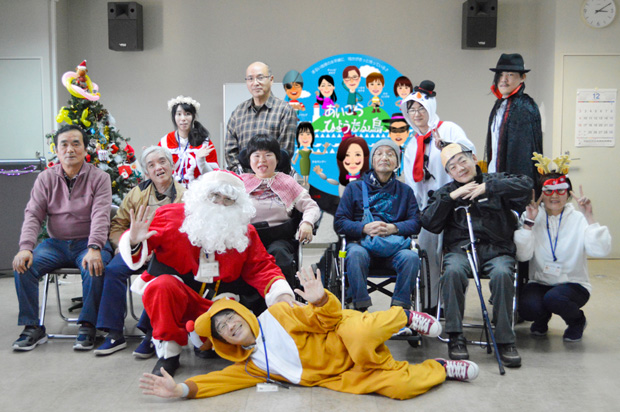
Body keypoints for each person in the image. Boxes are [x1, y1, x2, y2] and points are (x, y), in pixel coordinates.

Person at [139, 267, 479, 401]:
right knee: (401, 388)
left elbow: (324, 319)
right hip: (344, 373)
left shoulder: (277, 314)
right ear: (225, 343)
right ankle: (441, 368)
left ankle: (405, 316)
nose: (230, 325)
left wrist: (319, 300)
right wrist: (181, 390)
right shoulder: (253, 367)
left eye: (229, 317)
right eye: (223, 330)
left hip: (340, 333)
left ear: (241, 313)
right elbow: (218, 381)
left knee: (361, 333)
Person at [119, 170, 297, 376]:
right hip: (177, 294)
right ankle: (169, 354)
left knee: (216, 349)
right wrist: (134, 242)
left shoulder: (244, 232)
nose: (220, 203)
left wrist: (281, 294)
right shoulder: (170, 216)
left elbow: (262, 267)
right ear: (201, 195)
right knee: (161, 286)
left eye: (228, 199)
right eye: (215, 196)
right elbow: (141, 248)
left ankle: (203, 339)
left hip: (216, 302)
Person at [421, 143, 532, 367]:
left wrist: (488, 188)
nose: (460, 168)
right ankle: (455, 336)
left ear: (473, 158)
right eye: (452, 167)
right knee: (452, 272)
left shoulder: (496, 180)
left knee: (502, 274)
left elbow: (527, 184)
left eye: (462, 161)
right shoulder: (446, 192)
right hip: (461, 251)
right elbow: (429, 222)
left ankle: (505, 340)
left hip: (497, 250)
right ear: (449, 173)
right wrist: (451, 197)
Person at [12, 124, 113, 351]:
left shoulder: (100, 178)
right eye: (64, 144)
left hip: (88, 243)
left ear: (85, 149)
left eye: (76, 143)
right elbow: (33, 214)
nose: (70, 149)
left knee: (94, 266)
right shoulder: (45, 178)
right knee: (23, 266)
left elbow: (101, 215)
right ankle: (32, 327)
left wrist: (95, 247)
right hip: (55, 245)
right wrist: (25, 247)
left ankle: (88, 326)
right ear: (56, 150)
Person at [93, 146, 186, 357]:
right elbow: (118, 224)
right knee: (113, 270)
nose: (158, 168)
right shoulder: (137, 194)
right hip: (137, 248)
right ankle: (114, 333)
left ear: (171, 165)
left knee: (160, 277)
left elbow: (186, 234)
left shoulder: (184, 195)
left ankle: (152, 334)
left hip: (167, 253)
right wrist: (123, 245)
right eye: (151, 165)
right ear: (146, 172)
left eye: (162, 162)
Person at [400, 80, 475, 311]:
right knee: (428, 257)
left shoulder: (449, 129)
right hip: (430, 209)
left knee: (453, 258)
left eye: (421, 108)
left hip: (455, 205)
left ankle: (451, 305)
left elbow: (468, 154)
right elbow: (411, 182)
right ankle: (431, 304)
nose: (417, 114)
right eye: (412, 110)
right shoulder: (412, 144)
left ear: (430, 108)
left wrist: (447, 146)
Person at [514, 165, 611, 342]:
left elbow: (600, 251)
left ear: (568, 193)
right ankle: (542, 318)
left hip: (573, 283)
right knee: (527, 308)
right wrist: (529, 223)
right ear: (541, 194)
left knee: (555, 298)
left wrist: (589, 217)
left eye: (560, 190)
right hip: (540, 281)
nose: (555, 195)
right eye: (549, 191)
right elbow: (523, 256)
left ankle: (577, 321)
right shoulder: (532, 216)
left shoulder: (579, 218)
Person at [334, 139, 421, 313]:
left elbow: (416, 223)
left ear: (397, 162)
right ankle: (360, 308)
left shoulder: (405, 191)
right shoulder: (354, 188)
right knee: (355, 254)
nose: (384, 158)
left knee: (411, 257)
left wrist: (393, 228)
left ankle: (399, 311)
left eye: (390, 154)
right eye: (379, 153)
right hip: (362, 246)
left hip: (395, 248)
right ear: (372, 161)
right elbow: (340, 222)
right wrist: (363, 228)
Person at [240, 134, 321, 288]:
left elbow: (311, 206)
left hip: (279, 238)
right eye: (256, 155)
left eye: (268, 155)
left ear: (277, 159)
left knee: (279, 254)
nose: (262, 160)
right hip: (246, 239)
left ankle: (284, 297)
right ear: (249, 160)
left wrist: (307, 223)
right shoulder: (239, 182)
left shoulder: (287, 182)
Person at [225, 62, 298, 172]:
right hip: (243, 180)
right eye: (250, 79)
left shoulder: (285, 110)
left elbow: (284, 153)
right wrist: (243, 177)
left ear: (271, 80)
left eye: (260, 78)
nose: (255, 83)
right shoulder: (238, 113)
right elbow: (230, 152)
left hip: (275, 180)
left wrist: (265, 177)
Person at [485, 53, 543, 185]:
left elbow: (523, 155)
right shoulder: (500, 105)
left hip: (514, 182)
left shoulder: (524, 106)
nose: (503, 80)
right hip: (495, 176)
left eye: (510, 75)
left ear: (522, 77)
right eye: (500, 75)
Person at [159, 95, 218, 187]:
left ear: (193, 116)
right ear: (174, 117)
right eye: (179, 114)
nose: (183, 118)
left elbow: (213, 177)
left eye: (187, 114)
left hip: (198, 191)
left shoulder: (204, 142)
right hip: (173, 191)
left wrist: (201, 161)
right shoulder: (165, 142)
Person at [291, 122, 330, 186]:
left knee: (307, 172)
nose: (305, 137)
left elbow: (321, 153)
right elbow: (294, 161)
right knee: (303, 172)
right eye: (301, 134)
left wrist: (325, 148)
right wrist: (291, 159)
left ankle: (307, 182)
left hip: (307, 161)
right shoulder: (299, 151)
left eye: (308, 134)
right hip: (302, 162)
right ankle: (304, 182)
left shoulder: (309, 150)